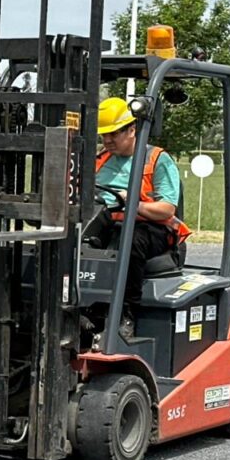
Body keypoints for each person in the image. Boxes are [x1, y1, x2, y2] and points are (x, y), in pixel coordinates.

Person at [88, 97, 191, 339]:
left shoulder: (156, 159)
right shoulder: (101, 160)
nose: (107, 140)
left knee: (129, 242)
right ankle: (83, 308)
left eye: (113, 134)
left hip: (152, 228)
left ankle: (126, 314)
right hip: (109, 222)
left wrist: (134, 202)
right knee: (72, 239)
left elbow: (167, 209)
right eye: (104, 135)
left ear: (132, 129)